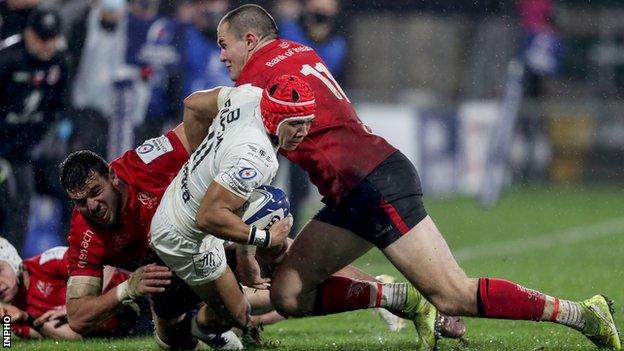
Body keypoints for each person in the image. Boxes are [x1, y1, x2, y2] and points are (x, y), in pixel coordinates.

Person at [215, 4, 621, 350]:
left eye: (224, 44)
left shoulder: (256, 83)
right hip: (350, 191)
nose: (221, 56)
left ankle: (583, 313)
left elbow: (239, 143)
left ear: (250, 40)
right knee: (288, 293)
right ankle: (404, 299)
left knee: (453, 294)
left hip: (373, 183)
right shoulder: (295, 50)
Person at [59, 120, 222, 349]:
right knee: (171, 341)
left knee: (274, 293)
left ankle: (231, 317)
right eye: (80, 202)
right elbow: (76, 318)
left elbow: (197, 123)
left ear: (112, 175)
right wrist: (127, 288)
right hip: (168, 279)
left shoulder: (146, 163)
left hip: (208, 239)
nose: (92, 206)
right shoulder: (84, 234)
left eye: (96, 192)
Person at [0, 7, 69, 251]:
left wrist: (35, 140)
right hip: (2, 143)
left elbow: (57, 106)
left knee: (20, 205)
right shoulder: (7, 58)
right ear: (28, 33)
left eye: (51, 38)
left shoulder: (60, 62)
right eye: (41, 38)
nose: (46, 45)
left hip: (23, 149)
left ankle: (12, 265)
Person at [0, 237, 144, 340]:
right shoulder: (10, 316)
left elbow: (104, 264)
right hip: (121, 332)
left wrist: (80, 309)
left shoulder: (47, 262)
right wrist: (28, 319)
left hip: (139, 300)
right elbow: (73, 337)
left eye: (0, 271)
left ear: (12, 259)